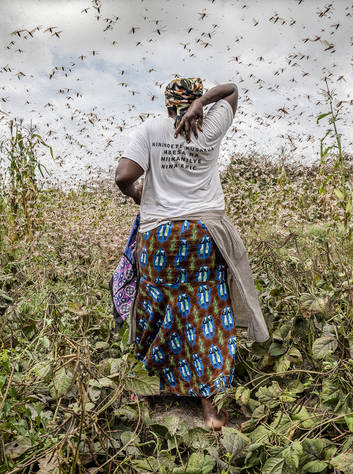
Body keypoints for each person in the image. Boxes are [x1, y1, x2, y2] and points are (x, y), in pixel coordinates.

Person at [115, 77, 269, 430]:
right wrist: (204, 103)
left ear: (168, 104)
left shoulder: (150, 130)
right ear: (196, 101)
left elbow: (124, 175)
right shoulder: (210, 125)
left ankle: (145, 392)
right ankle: (211, 412)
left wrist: (137, 194)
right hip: (203, 235)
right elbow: (231, 89)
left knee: (154, 306)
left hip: (160, 238)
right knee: (205, 312)